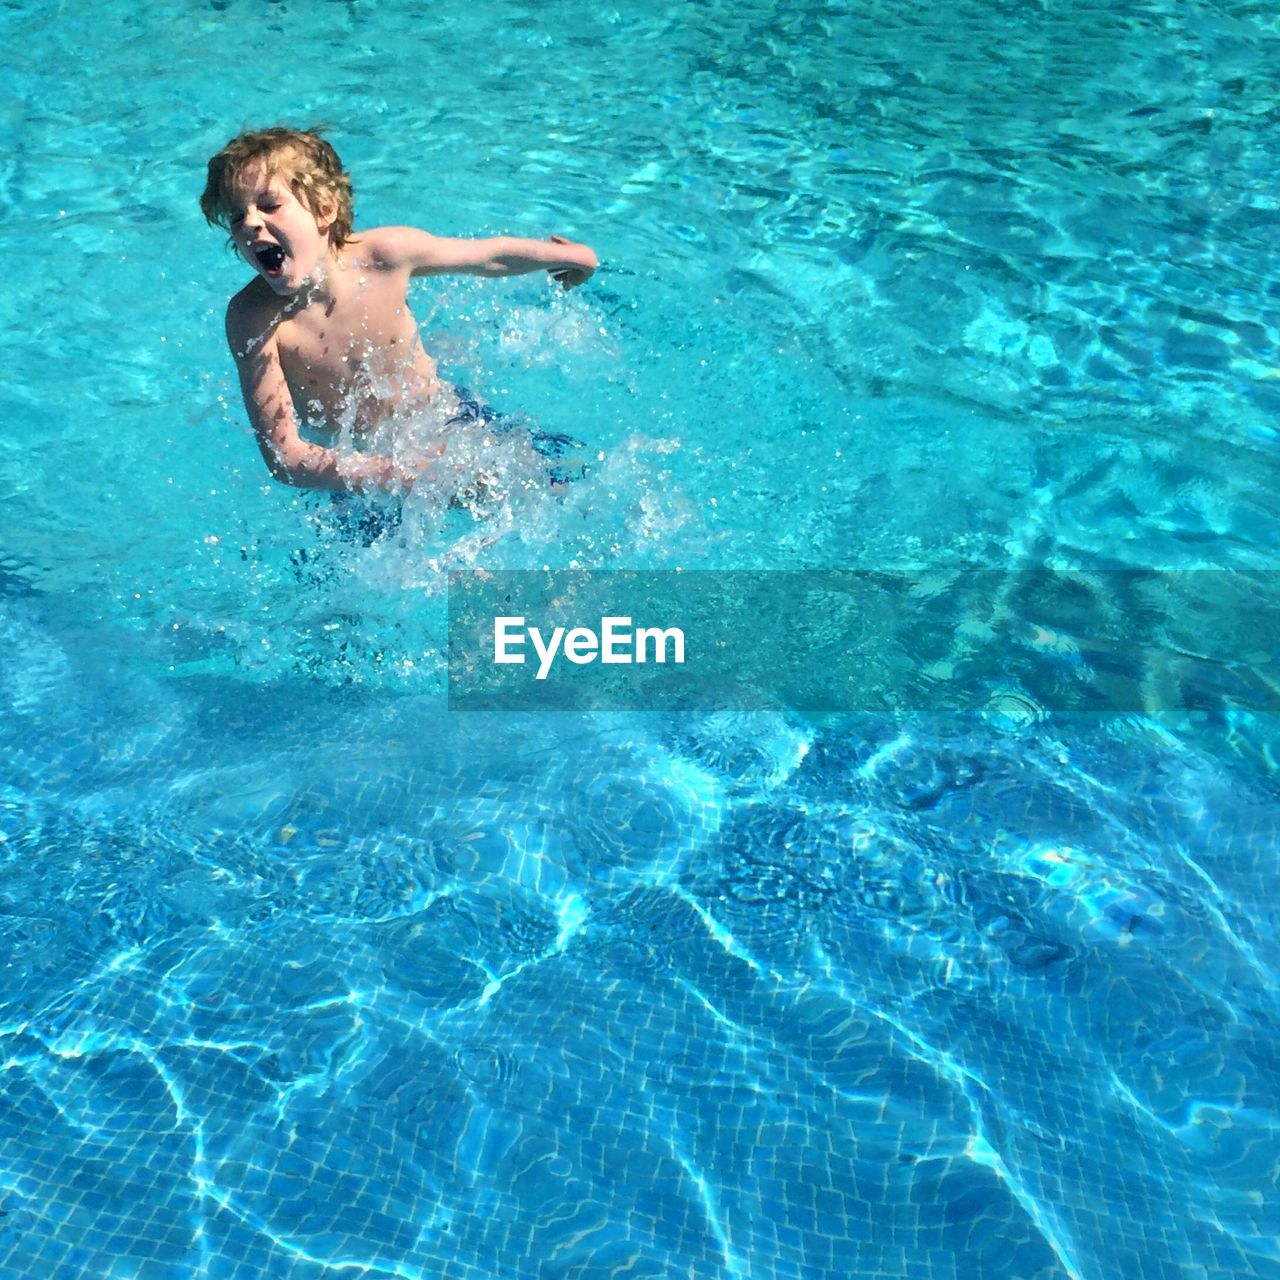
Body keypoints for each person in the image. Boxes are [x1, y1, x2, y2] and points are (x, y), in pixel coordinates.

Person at [199, 126, 598, 499]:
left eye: (269, 205)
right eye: (237, 217)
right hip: (357, 467)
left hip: (446, 419)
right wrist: (402, 477)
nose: (251, 222)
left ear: (324, 210)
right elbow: (285, 457)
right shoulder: (252, 319)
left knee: (569, 489)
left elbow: (488, 257)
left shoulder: (385, 256)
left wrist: (567, 256)